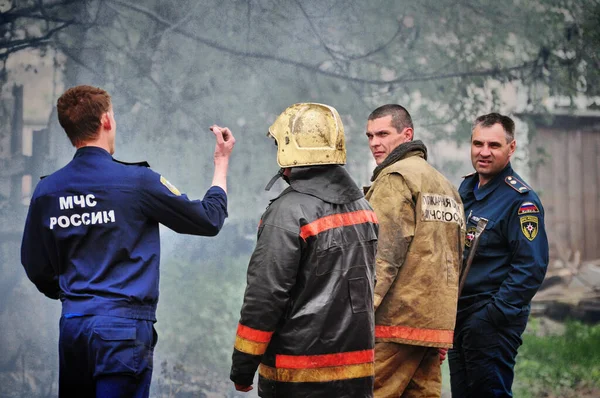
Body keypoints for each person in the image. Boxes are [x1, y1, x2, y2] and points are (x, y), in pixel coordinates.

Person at [20, 85, 235, 397]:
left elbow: (35, 264)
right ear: (106, 120)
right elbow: (209, 219)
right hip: (122, 330)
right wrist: (221, 162)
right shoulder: (138, 182)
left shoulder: (47, 190)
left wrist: (76, 296)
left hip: (74, 325)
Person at [229, 103, 379, 398]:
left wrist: (243, 367)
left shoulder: (288, 213)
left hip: (297, 375)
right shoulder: (365, 208)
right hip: (358, 374)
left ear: (289, 149)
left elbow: (265, 297)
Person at [364, 104, 465, 397]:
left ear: (407, 134)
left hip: (394, 323)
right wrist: (444, 323)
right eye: (370, 136)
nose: (374, 143)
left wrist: (360, 313)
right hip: (433, 327)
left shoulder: (395, 179)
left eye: (383, 134)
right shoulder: (445, 186)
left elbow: (382, 255)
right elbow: (455, 259)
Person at [448, 112, 549, 397]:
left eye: (494, 145)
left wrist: (492, 316)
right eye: (478, 144)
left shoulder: (521, 201)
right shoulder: (467, 189)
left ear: (511, 148)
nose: (484, 152)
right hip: (461, 317)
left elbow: (531, 267)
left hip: (491, 321)